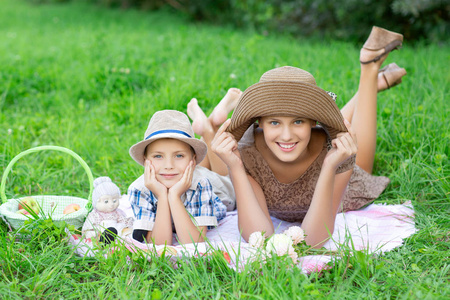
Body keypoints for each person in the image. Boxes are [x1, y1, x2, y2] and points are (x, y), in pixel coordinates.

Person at [187, 26, 406, 247]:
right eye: (274, 122)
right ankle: (369, 85)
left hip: (342, 184)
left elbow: (314, 241)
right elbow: (258, 237)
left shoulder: (335, 150)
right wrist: (234, 167)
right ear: (259, 122)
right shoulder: (245, 151)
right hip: (281, 151)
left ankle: (369, 69)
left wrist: (330, 166)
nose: (286, 135)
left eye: (298, 121)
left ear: (314, 121)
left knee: (357, 157)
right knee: (329, 131)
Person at [127, 110, 231, 245]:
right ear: (146, 160)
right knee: (195, 168)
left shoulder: (200, 184)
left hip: (220, 193)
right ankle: (205, 126)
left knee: (223, 175)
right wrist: (164, 196)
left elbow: (194, 242)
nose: (169, 165)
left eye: (179, 155)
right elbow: (160, 245)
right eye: (158, 156)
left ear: (193, 160)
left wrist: (175, 196)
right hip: (184, 173)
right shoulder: (139, 189)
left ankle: (208, 130)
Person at [81, 177, 133, 244]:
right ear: (97, 201)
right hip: (101, 232)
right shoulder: (95, 214)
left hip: (117, 231)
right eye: (106, 201)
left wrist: (127, 225)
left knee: (125, 230)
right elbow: (88, 228)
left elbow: (123, 221)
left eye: (114, 201)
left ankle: (124, 238)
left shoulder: (117, 212)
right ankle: (103, 240)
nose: (111, 204)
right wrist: (92, 233)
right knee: (95, 234)